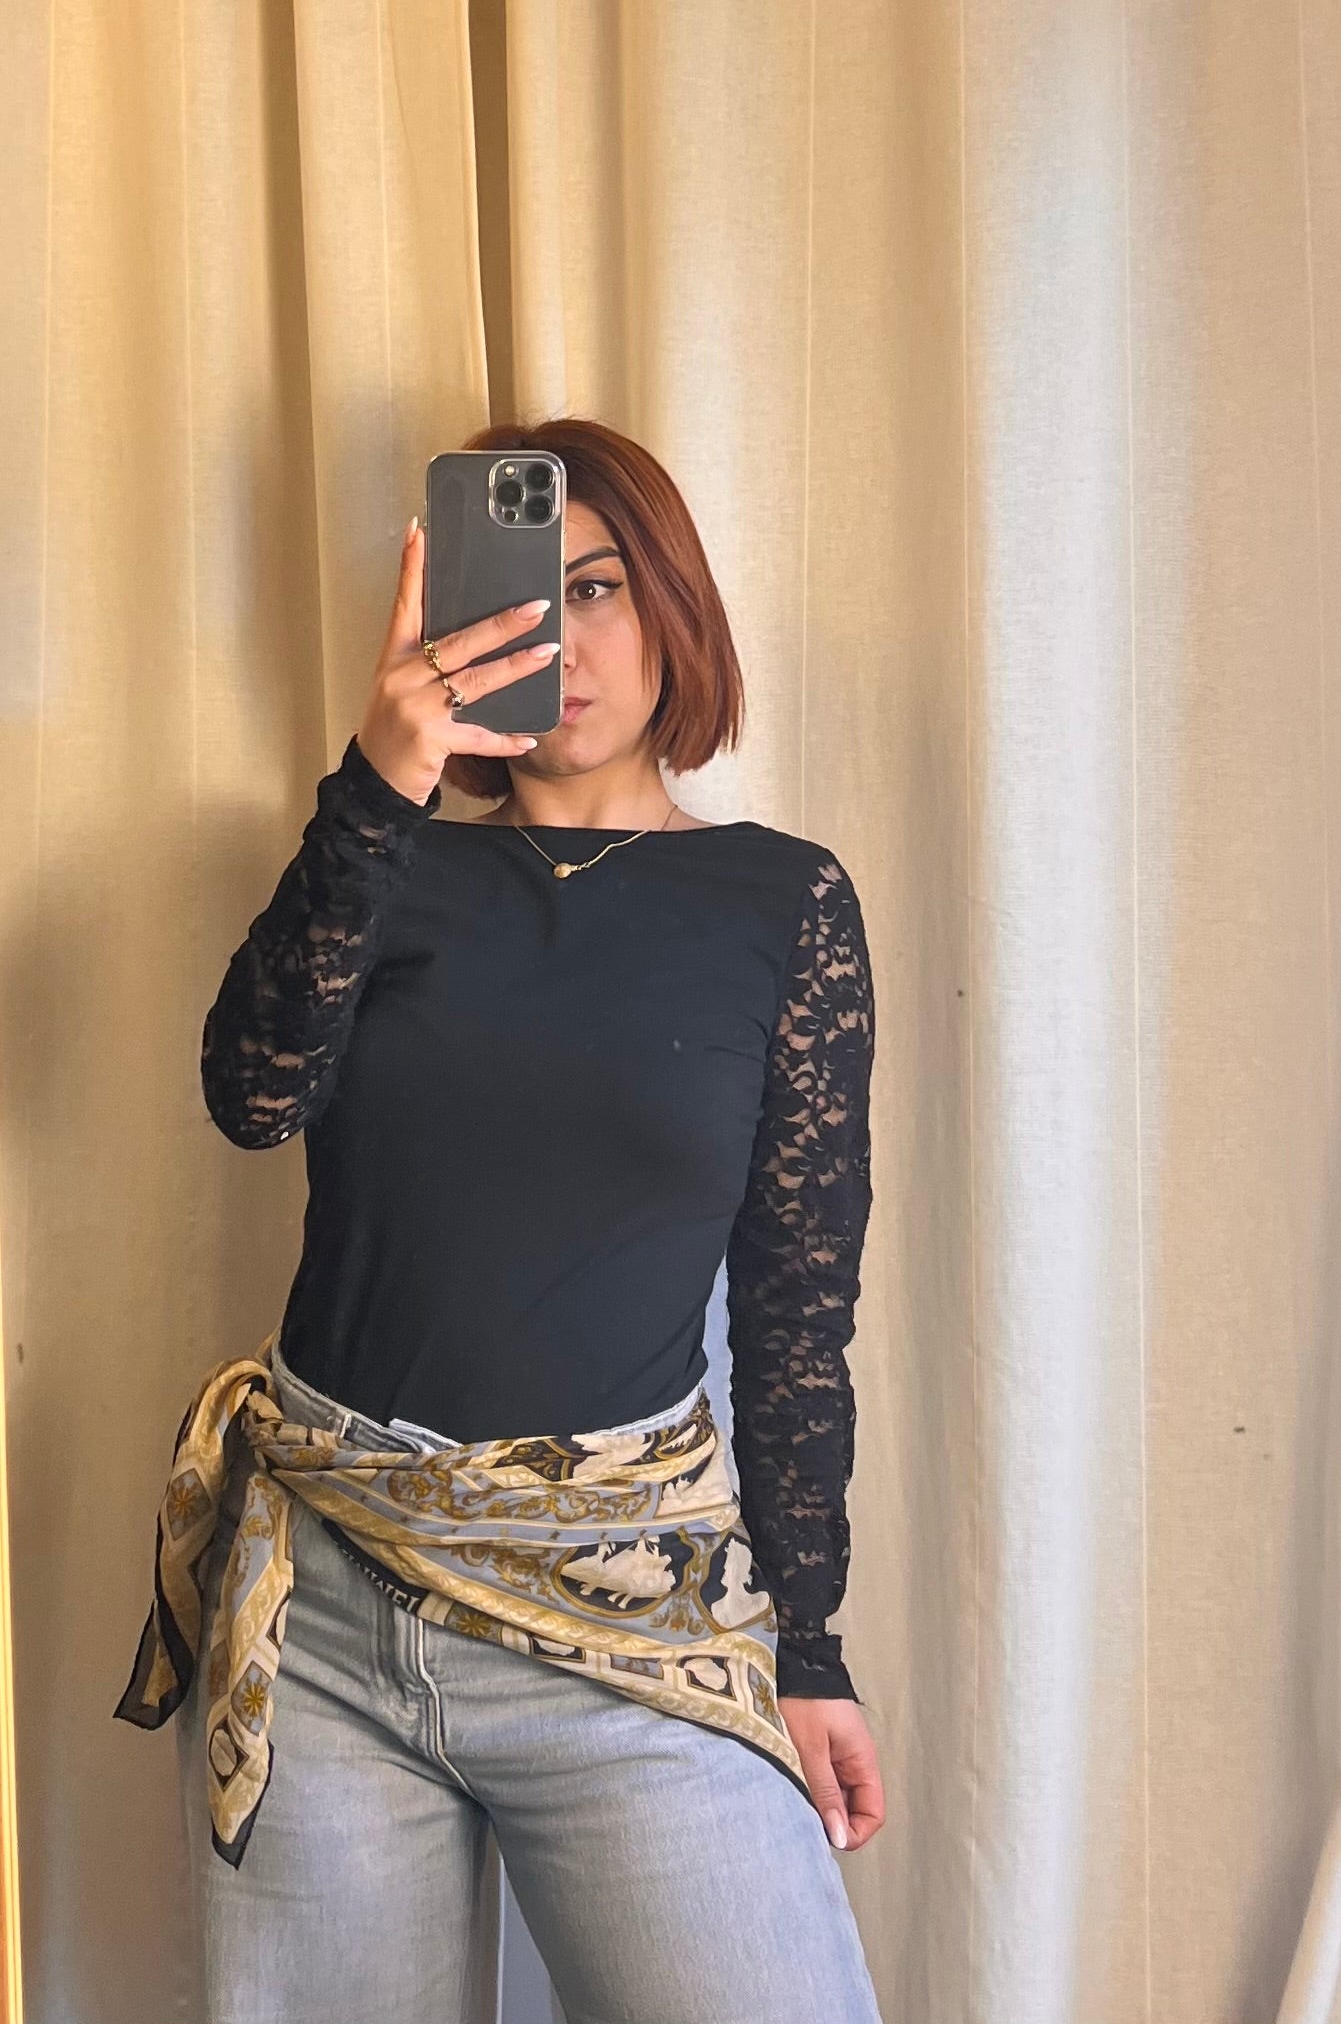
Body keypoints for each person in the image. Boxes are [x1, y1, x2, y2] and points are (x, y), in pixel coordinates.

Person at [114, 416, 885, 2024]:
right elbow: (250, 1092)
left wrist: (805, 1646)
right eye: (516, 600)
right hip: (326, 1613)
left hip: (632, 1618)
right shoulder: (383, 863)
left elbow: (797, 1311)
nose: (563, 642)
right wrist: (378, 784)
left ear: (673, 602)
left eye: (596, 588)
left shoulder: (784, 902)